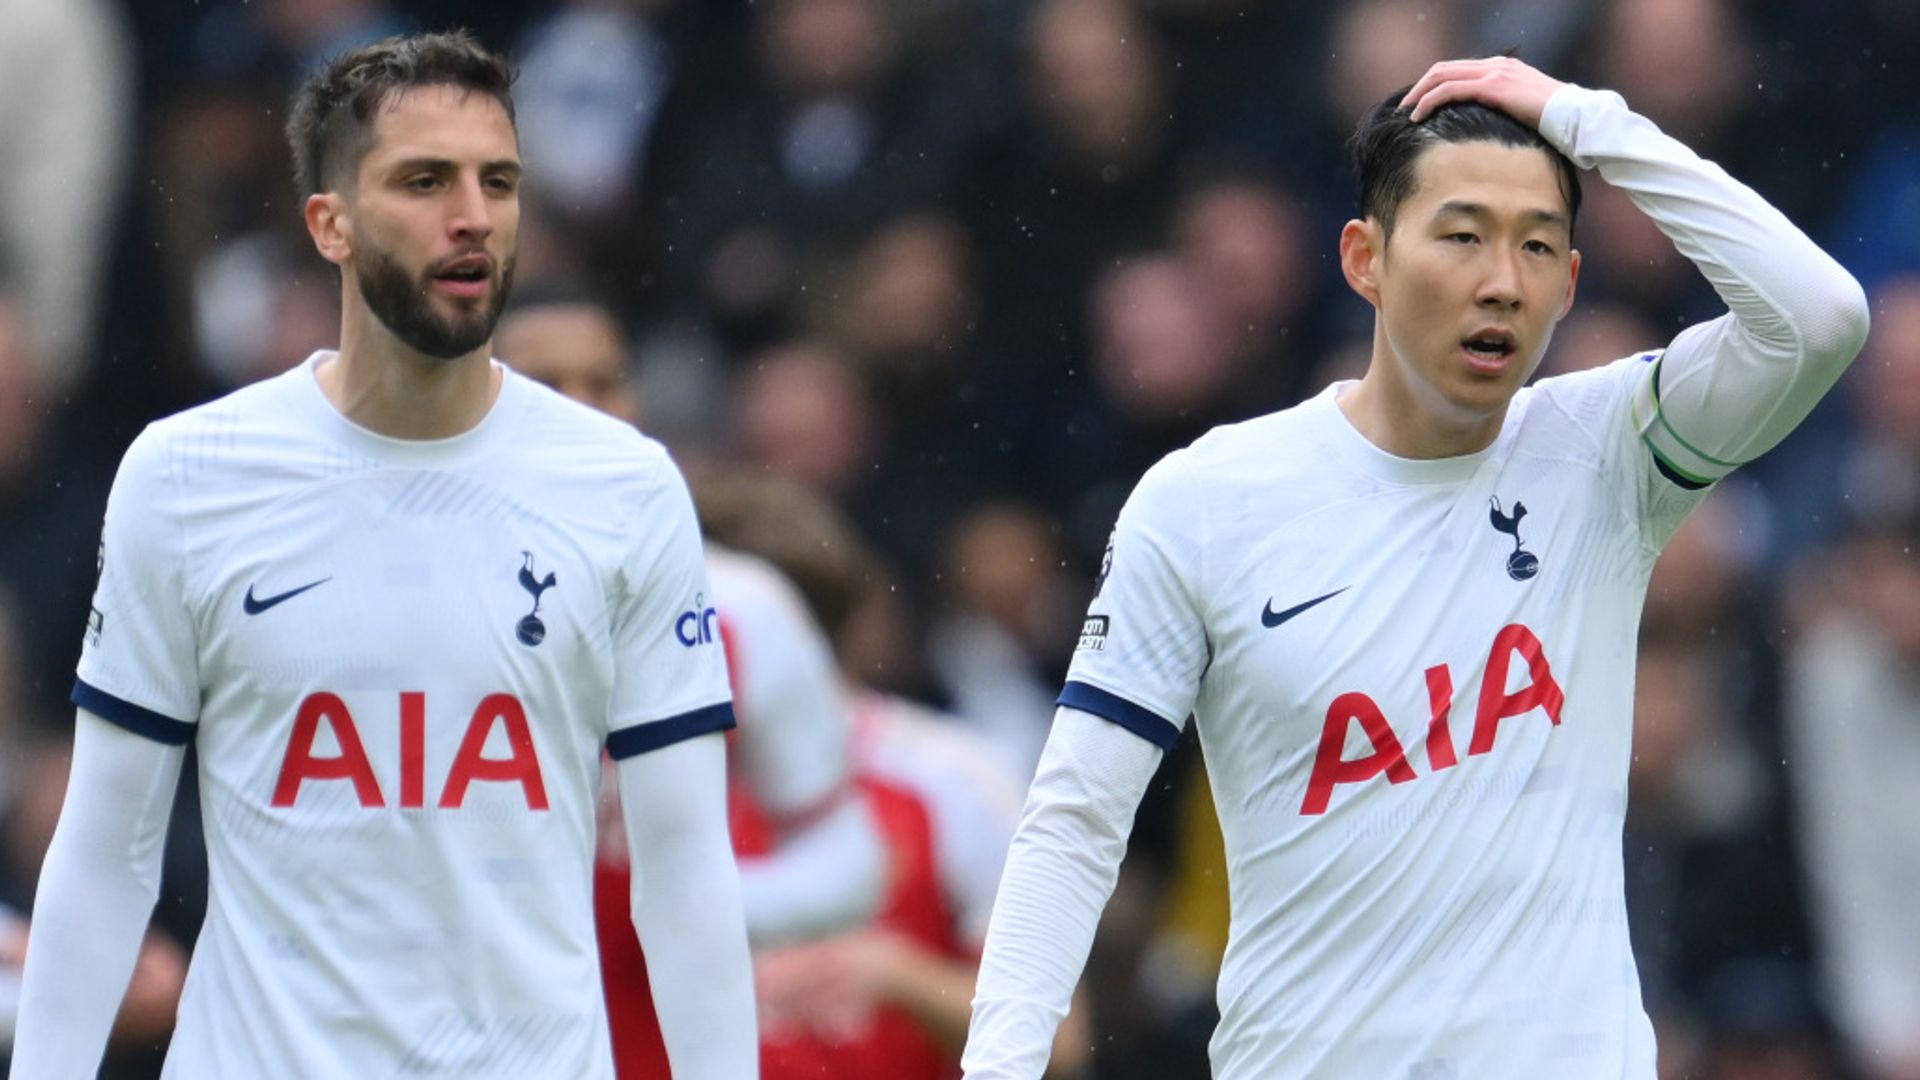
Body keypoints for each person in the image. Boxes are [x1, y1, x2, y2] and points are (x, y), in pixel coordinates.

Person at [961, 55, 1870, 1078]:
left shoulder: (1608, 450)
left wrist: (1589, 120)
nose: (1501, 280)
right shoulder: (1206, 502)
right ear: (1365, 259)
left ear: (1570, 283)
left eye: (1538, 245)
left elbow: (1820, 317)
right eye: (1462, 235)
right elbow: (1076, 817)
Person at [11, 31, 756, 1079]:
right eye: (424, 180)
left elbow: (682, 868)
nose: (472, 216)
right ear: (331, 225)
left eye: (498, 181)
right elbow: (104, 851)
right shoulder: (186, 476)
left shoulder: (625, 487)